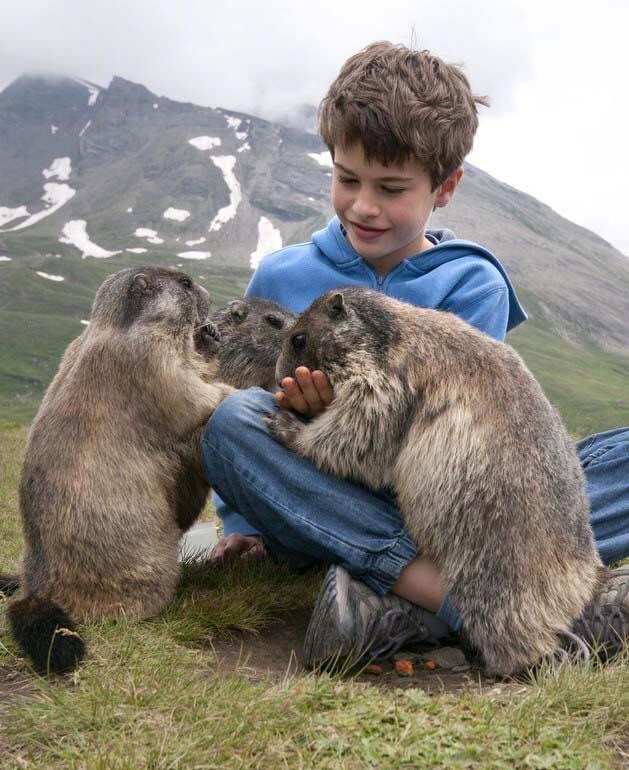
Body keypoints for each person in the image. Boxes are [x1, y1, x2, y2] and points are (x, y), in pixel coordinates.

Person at [201, 41, 629, 669]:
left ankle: (383, 602)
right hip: (326, 499)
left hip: (454, 501)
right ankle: (451, 598)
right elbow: (254, 409)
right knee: (230, 425)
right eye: (348, 180)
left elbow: (474, 450)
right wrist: (242, 520)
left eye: (392, 187)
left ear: (445, 187)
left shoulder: (472, 283)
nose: (364, 205)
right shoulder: (281, 275)